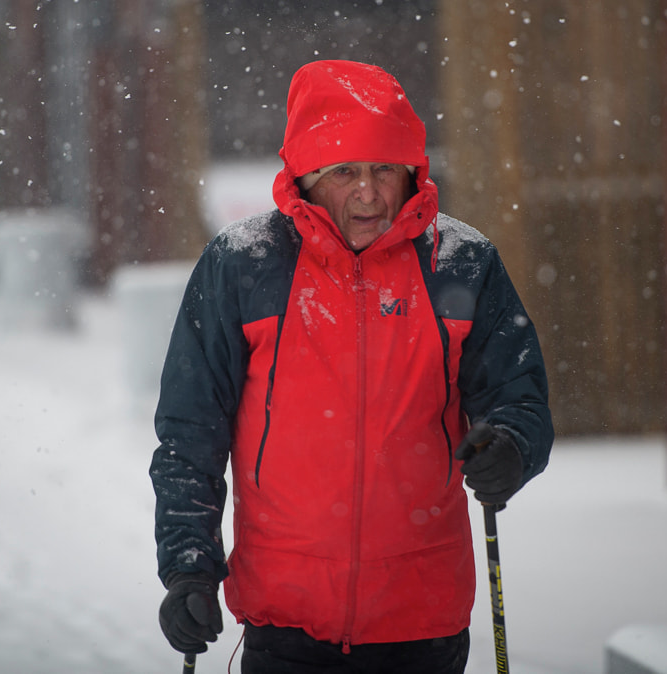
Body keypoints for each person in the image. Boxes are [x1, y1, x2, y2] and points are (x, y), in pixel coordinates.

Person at [150, 59, 553, 673]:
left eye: (384, 169)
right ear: (306, 178)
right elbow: (189, 436)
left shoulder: (462, 263)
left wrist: (513, 447)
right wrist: (187, 568)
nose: (368, 192)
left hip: (423, 620)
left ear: (411, 171)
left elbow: (518, 396)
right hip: (285, 621)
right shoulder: (243, 264)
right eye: (344, 171)